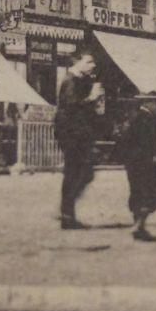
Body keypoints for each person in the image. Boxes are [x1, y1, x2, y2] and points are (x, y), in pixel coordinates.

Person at [54, 52, 104, 228]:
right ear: (77, 62)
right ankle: (66, 213)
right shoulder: (71, 81)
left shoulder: (81, 81)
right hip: (71, 134)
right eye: (88, 62)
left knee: (79, 172)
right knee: (77, 172)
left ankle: (66, 212)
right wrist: (91, 98)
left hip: (78, 134)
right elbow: (71, 107)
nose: (92, 66)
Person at [118, 92, 156, 241]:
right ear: (150, 103)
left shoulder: (133, 117)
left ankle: (139, 227)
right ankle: (139, 226)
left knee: (137, 193)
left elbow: (125, 139)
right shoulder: (147, 119)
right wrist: (153, 160)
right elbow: (148, 143)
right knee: (152, 195)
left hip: (132, 163)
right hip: (144, 163)